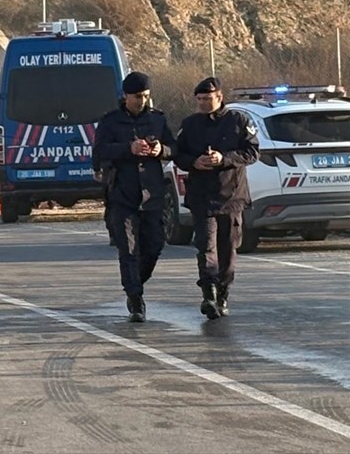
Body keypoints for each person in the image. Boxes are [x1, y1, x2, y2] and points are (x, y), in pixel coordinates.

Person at [173, 76, 260, 320]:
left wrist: (224, 159)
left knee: (228, 248)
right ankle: (208, 293)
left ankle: (223, 292)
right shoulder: (190, 125)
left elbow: (252, 152)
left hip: (231, 195)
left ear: (219, 97)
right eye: (199, 99)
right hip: (202, 196)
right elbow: (178, 155)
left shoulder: (238, 121)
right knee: (205, 246)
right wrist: (194, 162)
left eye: (207, 99)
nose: (202, 103)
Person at [92, 72, 176, 322]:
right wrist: (127, 149)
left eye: (146, 96)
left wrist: (163, 150)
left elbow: (175, 148)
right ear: (126, 96)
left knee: (154, 245)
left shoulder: (157, 119)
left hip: (152, 194)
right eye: (138, 97)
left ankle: (135, 281)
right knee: (128, 248)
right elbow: (99, 153)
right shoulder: (110, 122)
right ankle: (135, 298)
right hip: (122, 193)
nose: (142, 101)